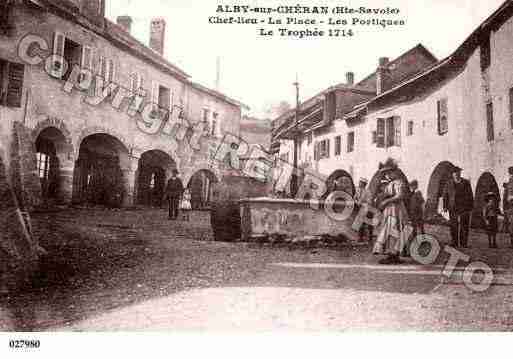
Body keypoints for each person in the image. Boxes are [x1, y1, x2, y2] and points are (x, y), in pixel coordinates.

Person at [372, 158, 410, 264]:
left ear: (394, 172)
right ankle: (391, 253)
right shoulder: (391, 183)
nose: (386, 175)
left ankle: (394, 254)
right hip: (390, 209)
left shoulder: (399, 182)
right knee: (389, 229)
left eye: (388, 173)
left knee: (394, 228)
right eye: (385, 173)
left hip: (396, 209)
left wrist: (386, 201)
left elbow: (400, 196)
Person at [442, 166, 474, 248]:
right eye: (455, 173)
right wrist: (445, 206)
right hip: (453, 207)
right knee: (453, 225)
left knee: (464, 225)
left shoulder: (466, 182)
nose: (457, 174)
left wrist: (471, 206)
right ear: (452, 174)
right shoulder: (448, 183)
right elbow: (445, 195)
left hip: (464, 207)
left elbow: (470, 195)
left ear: (460, 173)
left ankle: (463, 243)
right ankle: (454, 242)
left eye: (458, 172)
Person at [355, 178, 373, 242]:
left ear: (364, 184)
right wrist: (357, 202)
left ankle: (369, 238)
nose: (359, 184)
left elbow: (369, 201)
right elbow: (355, 198)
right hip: (360, 208)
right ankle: (360, 238)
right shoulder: (357, 190)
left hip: (367, 209)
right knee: (360, 223)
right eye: (359, 182)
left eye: (361, 183)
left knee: (368, 224)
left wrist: (362, 202)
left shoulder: (368, 192)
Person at [503, 166, 513, 248]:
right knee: (511, 225)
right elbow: (506, 196)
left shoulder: (510, 182)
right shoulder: (509, 183)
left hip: (511, 206)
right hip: (510, 207)